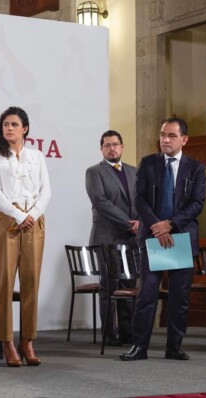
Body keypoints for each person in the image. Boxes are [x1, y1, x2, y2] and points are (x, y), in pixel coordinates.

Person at [121, 116, 206, 362]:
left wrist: (171, 224)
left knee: (179, 298)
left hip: (180, 238)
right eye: (162, 135)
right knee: (146, 294)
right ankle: (139, 347)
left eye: (171, 135)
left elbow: (197, 203)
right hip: (153, 238)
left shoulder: (196, 168)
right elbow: (140, 199)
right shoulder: (148, 164)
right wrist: (158, 227)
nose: (165, 140)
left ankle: (174, 347)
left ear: (184, 139)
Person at [0, 106, 51, 367]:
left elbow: (46, 191)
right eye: (5, 125)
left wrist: (32, 213)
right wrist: (18, 214)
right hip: (7, 219)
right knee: (4, 280)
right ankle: (7, 340)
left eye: (14, 124)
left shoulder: (37, 156)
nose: (8, 128)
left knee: (31, 280)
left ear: (25, 128)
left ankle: (28, 339)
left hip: (34, 219)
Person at [85, 129, 139, 345]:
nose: (112, 148)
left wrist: (140, 222)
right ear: (101, 149)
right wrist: (129, 222)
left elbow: (142, 201)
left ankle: (128, 333)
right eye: (107, 145)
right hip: (106, 238)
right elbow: (100, 201)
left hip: (130, 240)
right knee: (109, 287)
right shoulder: (94, 172)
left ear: (122, 147)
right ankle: (109, 335)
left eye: (115, 144)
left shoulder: (134, 172)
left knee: (128, 285)